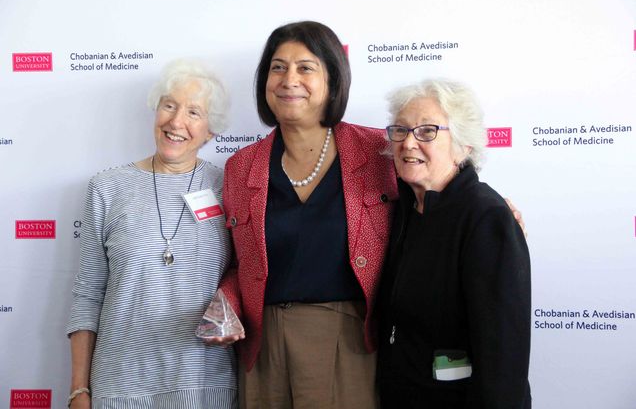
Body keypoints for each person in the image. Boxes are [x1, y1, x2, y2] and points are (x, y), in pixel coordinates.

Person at [209, 21, 397, 408]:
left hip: (348, 340)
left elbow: (435, 198)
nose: (288, 79)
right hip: (262, 347)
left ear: (333, 79)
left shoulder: (380, 151)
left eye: (305, 67)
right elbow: (233, 262)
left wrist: (487, 210)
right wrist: (225, 299)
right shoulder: (241, 167)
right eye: (277, 67)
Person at [66, 60, 238, 408]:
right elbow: (87, 295)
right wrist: (79, 390)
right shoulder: (107, 188)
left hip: (204, 385)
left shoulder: (229, 186)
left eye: (193, 112)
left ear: (211, 131)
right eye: (169, 105)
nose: (176, 122)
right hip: (120, 387)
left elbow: (245, 276)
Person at [376, 79, 531, 408]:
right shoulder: (405, 209)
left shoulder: (486, 216)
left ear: (463, 146)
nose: (408, 143)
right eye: (400, 130)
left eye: (427, 131)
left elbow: (502, 357)